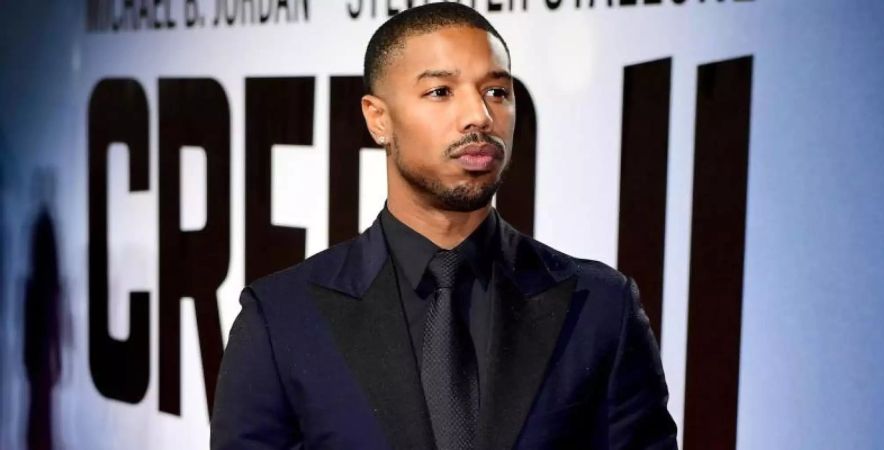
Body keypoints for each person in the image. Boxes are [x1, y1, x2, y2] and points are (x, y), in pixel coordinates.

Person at [211, 3, 677, 449]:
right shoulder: (280, 319)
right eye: (441, 92)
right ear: (378, 119)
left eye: (497, 91)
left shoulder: (600, 306)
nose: (479, 115)